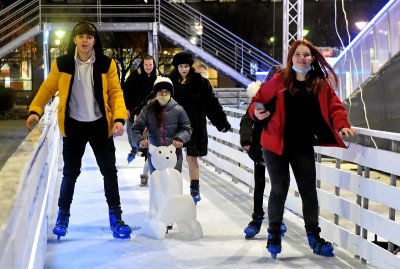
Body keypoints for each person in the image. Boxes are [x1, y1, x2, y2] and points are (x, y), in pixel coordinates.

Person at [249, 39, 356, 259]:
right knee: (279, 189)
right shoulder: (279, 80)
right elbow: (257, 101)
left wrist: (342, 124)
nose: (302, 58)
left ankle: (314, 236)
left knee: (309, 191)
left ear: (313, 58)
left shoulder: (320, 83)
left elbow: (335, 107)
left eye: (306, 54)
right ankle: (274, 234)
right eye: (297, 54)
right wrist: (255, 112)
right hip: (275, 144)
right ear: (291, 58)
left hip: (302, 145)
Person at [25, 21, 132, 240]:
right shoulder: (62, 63)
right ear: (74, 39)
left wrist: (119, 118)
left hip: (100, 126)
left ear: (95, 40)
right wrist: (35, 110)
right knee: (70, 174)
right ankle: (62, 217)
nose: (85, 40)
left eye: (89, 37)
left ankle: (116, 218)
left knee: (109, 173)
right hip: (74, 126)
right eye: (81, 36)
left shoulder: (106, 64)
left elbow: (116, 93)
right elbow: (47, 88)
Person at [168, 51, 231, 204]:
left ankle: (194, 189)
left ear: (191, 66)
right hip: (174, 124)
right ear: (176, 67)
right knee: (173, 158)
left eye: (186, 66)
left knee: (192, 157)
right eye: (181, 66)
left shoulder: (200, 82)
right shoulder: (169, 82)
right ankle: (173, 189)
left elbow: (211, 103)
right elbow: (156, 99)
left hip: (194, 125)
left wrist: (221, 122)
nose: (184, 69)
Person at [240, 65, 281, 239]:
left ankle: (276, 219)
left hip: (279, 148)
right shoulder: (260, 97)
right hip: (260, 147)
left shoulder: (286, 97)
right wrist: (247, 140)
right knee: (260, 184)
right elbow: (247, 119)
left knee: (278, 186)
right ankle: (257, 218)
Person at [131, 76, 192, 174]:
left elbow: (186, 128)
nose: (164, 94)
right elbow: (136, 129)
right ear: (155, 93)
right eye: (160, 91)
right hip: (155, 155)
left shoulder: (178, 110)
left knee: (173, 183)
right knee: (157, 184)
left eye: (167, 91)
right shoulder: (148, 110)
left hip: (173, 154)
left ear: (171, 93)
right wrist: (140, 140)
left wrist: (180, 138)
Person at [122, 55, 159, 186]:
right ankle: (134, 148)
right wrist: (127, 108)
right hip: (135, 110)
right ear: (143, 65)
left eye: (150, 65)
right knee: (133, 133)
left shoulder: (158, 78)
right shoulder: (135, 77)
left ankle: (146, 174)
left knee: (151, 145)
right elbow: (125, 92)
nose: (148, 67)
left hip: (153, 115)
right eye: (146, 65)